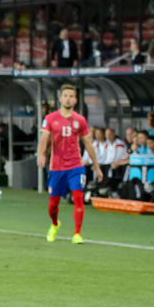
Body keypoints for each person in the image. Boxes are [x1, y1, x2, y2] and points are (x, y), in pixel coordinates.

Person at [37, 83, 103, 244]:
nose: (68, 99)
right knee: (53, 205)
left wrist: (97, 165)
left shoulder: (80, 120)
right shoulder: (50, 118)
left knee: (78, 198)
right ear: (60, 98)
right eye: (65, 95)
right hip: (56, 167)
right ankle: (54, 224)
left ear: (75, 100)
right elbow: (44, 139)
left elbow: (88, 143)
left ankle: (77, 233)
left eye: (71, 96)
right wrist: (41, 154)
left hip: (75, 166)